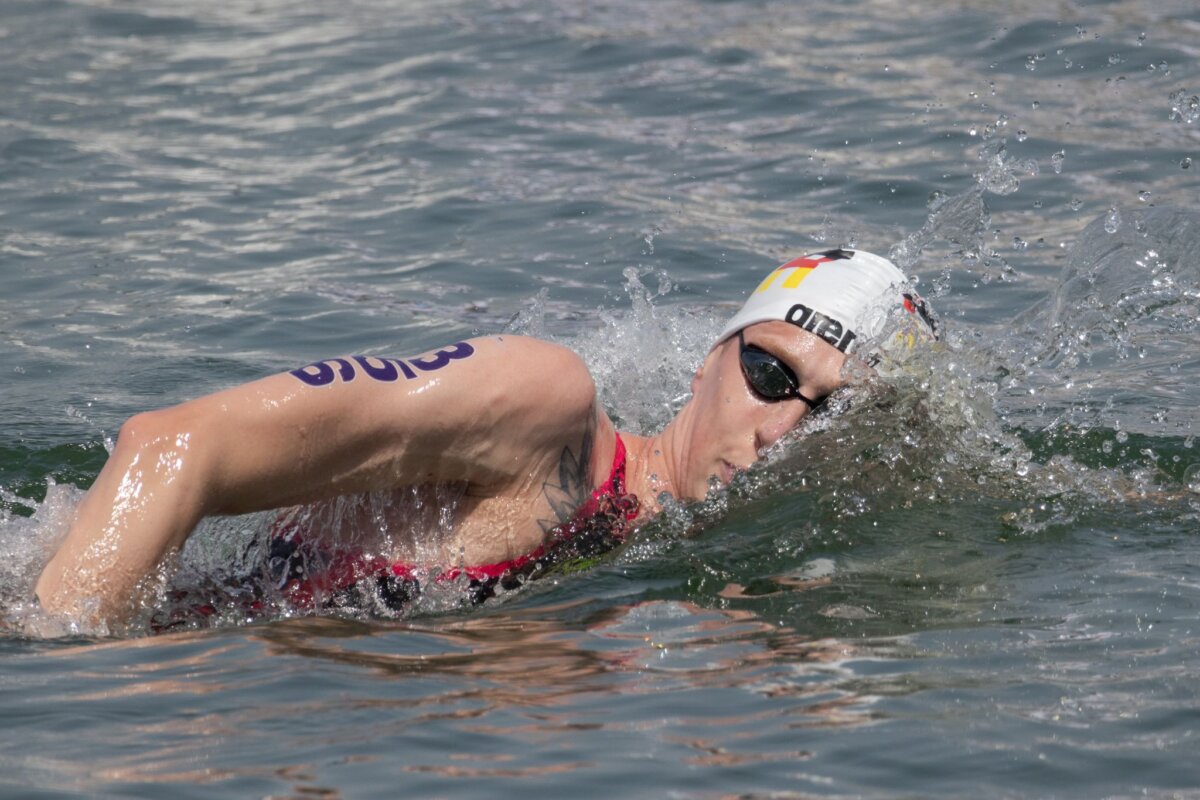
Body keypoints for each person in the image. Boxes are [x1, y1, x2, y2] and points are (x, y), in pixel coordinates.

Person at [34, 249, 938, 625]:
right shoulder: (546, 410)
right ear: (712, 357)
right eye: (772, 375)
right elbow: (169, 447)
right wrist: (85, 696)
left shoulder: (686, 584)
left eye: (832, 414)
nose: (781, 428)